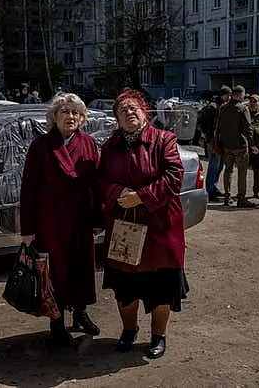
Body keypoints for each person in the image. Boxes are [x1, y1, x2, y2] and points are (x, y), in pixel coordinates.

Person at [98, 89, 188, 359]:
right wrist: (119, 195)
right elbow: (101, 180)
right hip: (124, 229)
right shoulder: (110, 146)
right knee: (125, 288)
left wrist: (142, 197)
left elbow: (174, 176)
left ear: (144, 112)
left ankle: (158, 336)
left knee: (161, 289)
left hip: (160, 230)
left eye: (134, 107)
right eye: (122, 110)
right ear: (116, 118)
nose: (129, 112)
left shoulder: (164, 140)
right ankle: (129, 330)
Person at [20, 92, 102, 346]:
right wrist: (28, 228)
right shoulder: (41, 145)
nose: (71, 117)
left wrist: (99, 218)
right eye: (65, 112)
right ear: (54, 117)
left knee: (81, 266)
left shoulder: (88, 143)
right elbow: (28, 188)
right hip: (51, 218)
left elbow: (97, 183)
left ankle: (80, 314)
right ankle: (56, 321)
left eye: (76, 113)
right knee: (55, 270)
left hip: (81, 215)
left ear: (82, 118)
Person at [214, 85, 256, 207]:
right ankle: (241, 198)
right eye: (243, 95)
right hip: (240, 145)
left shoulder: (223, 108)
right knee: (242, 172)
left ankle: (227, 196)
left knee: (228, 171)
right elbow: (248, 129)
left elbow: (219, 128)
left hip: (227, 145)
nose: (244, 97)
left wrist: (219, 143)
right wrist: (252, 144)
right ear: (239, 95)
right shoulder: (243, 109)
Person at [197, 86, 230, 202]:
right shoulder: (213, 107)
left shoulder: (222, 106)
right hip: (213, 141)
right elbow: (200, 121)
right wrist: (208, 136)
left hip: (220, 141)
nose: (229, 98)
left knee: (219, 166)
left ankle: (214, 187)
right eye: (228, 95)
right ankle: (210, 190)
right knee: (214, 165)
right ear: (223, 95)